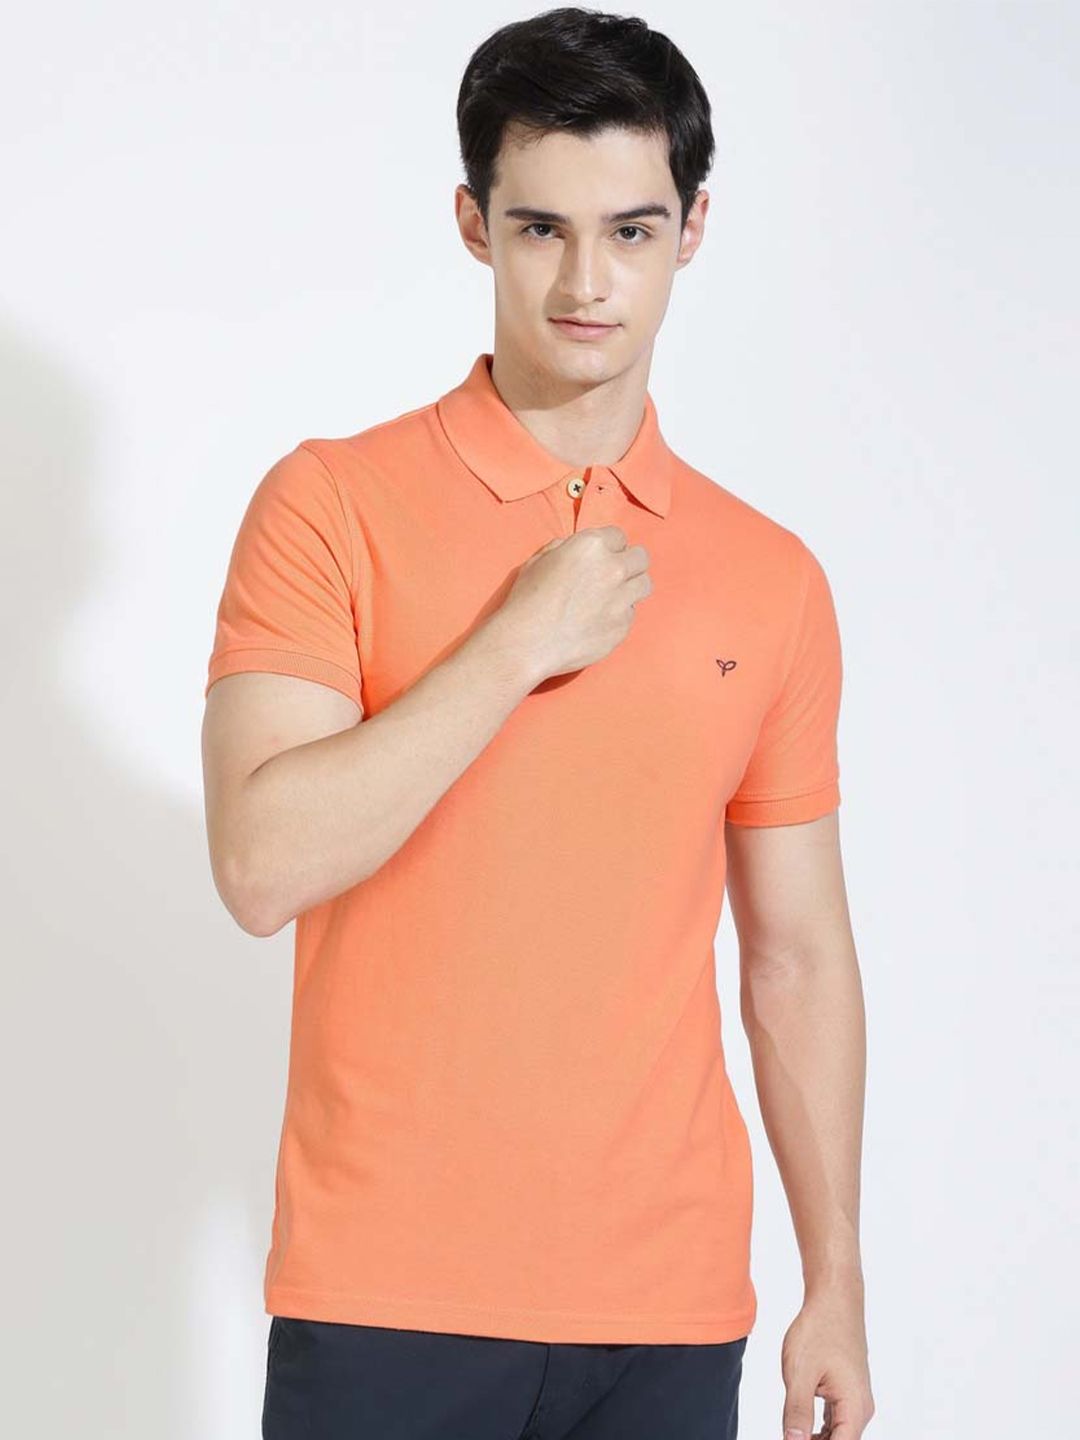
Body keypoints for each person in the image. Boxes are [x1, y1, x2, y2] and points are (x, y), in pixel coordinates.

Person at [201, 7, 875, 1438]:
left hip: (669, 1309)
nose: (585, 282)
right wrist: (514, 643)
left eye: (631, 231)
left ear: (692, 231)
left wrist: (836, 1280)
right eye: (540, 230)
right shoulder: (331, 503)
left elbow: (798, 956)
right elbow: (262, 864)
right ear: (473, 225)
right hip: (389, 1296)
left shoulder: (771, 578)